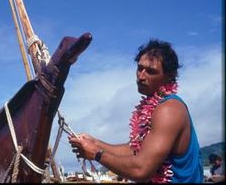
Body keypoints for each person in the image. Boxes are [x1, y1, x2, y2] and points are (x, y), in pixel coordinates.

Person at [69, 39, 203, 183]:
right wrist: (96, 143)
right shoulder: (153, 105)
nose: (141, 76)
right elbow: (136, 150)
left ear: (169, 76)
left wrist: (96, 153)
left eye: (151, 71)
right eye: (140, 68)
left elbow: (141, 169)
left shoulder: (169, 109)